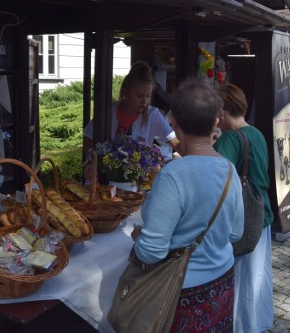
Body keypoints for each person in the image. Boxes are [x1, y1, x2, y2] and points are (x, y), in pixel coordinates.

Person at [132, 80, 244, 331]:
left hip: (182, 293)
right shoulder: (229, 170)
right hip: (223, 285)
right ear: (216, 122)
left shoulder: (173, 175)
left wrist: (138, 237)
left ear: (175, 125)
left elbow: (151, 251)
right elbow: (236, 232)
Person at [214, 84, 274, 333]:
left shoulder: (230, 139)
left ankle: (239, 326)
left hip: (241, 218)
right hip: (261, 212)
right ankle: (255, 323)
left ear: (223, 110)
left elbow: (215, 175)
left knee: (239, 279)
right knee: (257, 279)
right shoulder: (256, 133)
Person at [82, 61, 179, 176]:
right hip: (104, 179)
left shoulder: (153, 115)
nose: (145, 101)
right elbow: (88, 136)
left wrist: (192, 154)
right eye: (139, 96)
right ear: (125, 92)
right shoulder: (108, 111)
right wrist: (92, 160)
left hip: (136, 185)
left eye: (148, 96)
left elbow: (174, 140)